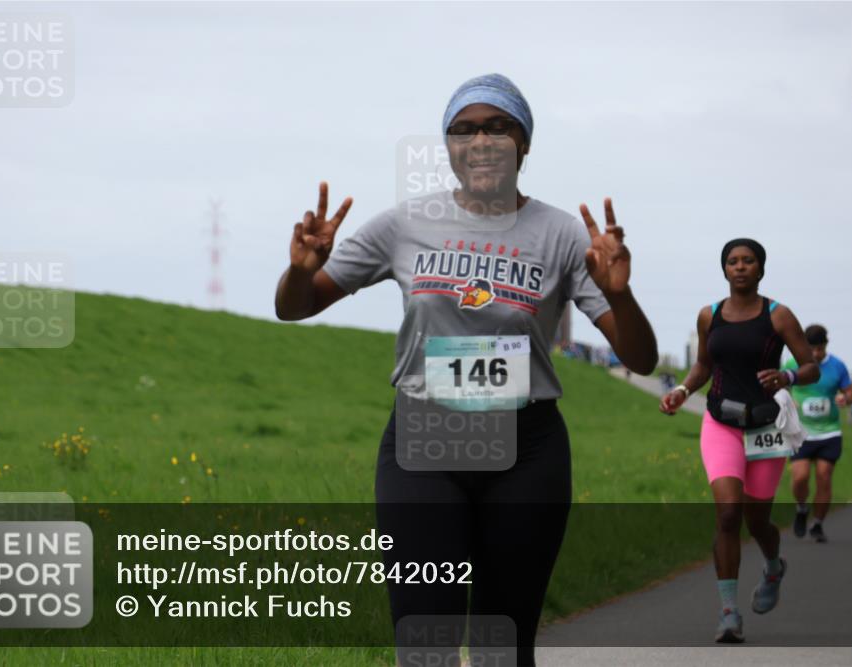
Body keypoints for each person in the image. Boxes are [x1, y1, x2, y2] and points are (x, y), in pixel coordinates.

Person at [275, 73, 658, 666]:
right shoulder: (404, 224)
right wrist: (302, 269)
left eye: (498, 127)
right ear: (448, 146)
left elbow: (639, 359)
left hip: (525, 449)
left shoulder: (562, 234)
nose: (480, 140)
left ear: (524, 144)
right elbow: (294, 307)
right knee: (424, 640)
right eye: (464, 129)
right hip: (425, 439)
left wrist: (621, 295)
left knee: (502, 646)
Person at [659, 238, 818, 644]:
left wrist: (788, 377)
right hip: (721, 422)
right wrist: (682, 391)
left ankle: (773, 566)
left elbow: (810, 366)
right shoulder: (709, 316)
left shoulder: (778, 315)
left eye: (749, 261)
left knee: (756, 519)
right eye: (733, 261)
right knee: (728, 513)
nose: (741, 267)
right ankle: (729, 612)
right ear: (724, 269)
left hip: (766, 426)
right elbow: (704, 364)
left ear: (761, 269)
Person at [785, 325, 852, 543]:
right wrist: (788, 399)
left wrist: (845, 399)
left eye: (819, 349)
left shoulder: (837, 366)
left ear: (826, 345)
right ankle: (802, 508)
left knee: (824, 477)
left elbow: (850, 392)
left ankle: (818, 524)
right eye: (811, 349)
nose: (815, 354)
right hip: (801, 432)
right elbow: (778, 386)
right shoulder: (792, 363)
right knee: (800, 478)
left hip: (829, 432)